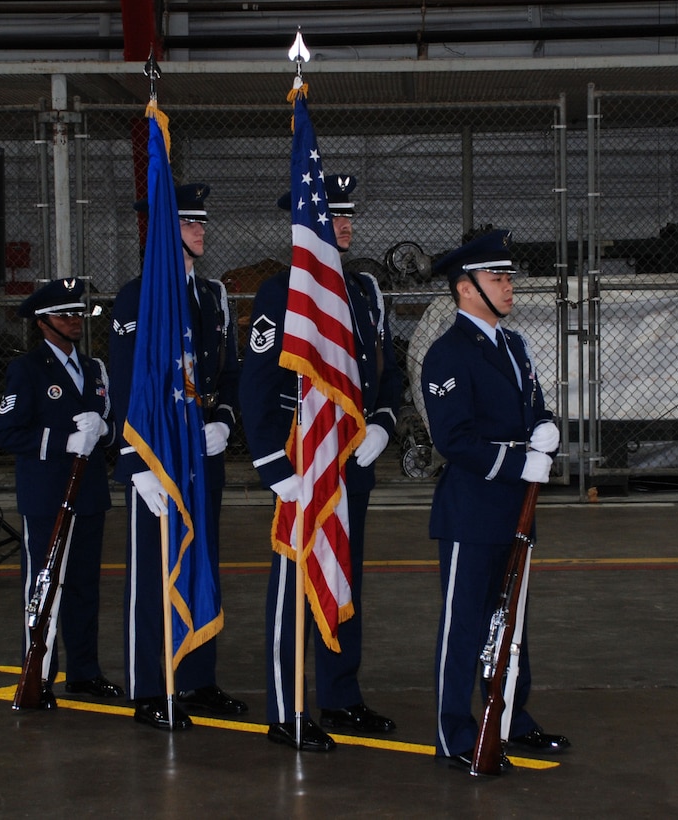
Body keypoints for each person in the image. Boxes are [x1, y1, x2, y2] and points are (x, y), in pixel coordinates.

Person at [239, 174, 402, 752]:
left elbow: (386, 368)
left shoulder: (363, 290)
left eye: (349, 214)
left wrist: (383, 422)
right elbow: (257, 383)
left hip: (352, 458)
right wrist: (271, 464)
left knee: (343, 574)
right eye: (335, 215)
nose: (346, 224)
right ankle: (287, 707)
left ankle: (340, 695)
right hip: (302, 459)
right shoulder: (281, 291)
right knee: (292, 583)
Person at [420, 229, 570, 772]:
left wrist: (546, 428)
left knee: (510, 620)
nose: (509, 287)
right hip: (472, 506)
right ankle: (454, 731)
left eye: (509, 277)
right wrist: (516, 463)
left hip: (514, 505)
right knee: (464, 625)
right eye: (497, 277)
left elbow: (533, 407)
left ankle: (509, 716)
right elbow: (453, 438)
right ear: (465, 288)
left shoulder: (514, 345)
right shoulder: (448, 354)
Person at [109, 182, 245, 731]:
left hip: (201, 453)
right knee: (151, 573)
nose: (200, 230)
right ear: (166, 230)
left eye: (201, 222)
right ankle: (149, 687)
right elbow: (125, 382)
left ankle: (196, 678)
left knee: (201, 562)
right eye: (189, 222)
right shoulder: (138, 296)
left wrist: (225, 420)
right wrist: (134, 464)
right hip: (157, 455)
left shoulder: (212, 295)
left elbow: (229, 372)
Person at [0, 277, 122, 709]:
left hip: (89, 494)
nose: (74, 321)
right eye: (64, 315)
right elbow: (8, 432)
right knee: (45, 587)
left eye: (77, 313)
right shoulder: (27, 369)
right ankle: (41, 675)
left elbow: (114, 427)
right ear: (42, 322)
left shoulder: (95, 369)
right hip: (47, 495)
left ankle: (85, 672)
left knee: (85, 587)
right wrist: (62, 441)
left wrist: (104, 430)